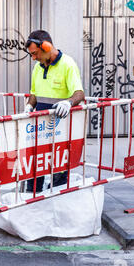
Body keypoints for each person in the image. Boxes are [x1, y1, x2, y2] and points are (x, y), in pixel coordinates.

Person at [24, 30, 85, 193]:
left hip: (60, 129)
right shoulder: (38, 68)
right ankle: (32, 196)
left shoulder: (67, 64)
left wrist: (69, 103)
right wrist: (29, 106)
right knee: (36, 166)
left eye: (35, 53)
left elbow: (79, 93)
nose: (34, 58)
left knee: (59, 170)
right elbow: (34, 93)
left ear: (47, 47)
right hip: (40, 128)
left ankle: (57, 200)